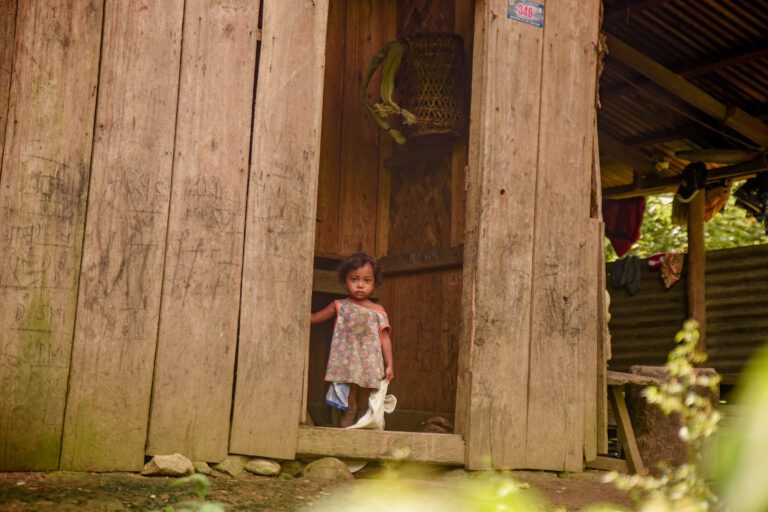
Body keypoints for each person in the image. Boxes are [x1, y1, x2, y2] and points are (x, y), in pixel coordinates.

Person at [310, 253, 394, 427]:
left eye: (366, 280)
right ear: (344, 280)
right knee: (349, 406)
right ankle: (344, 441)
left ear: (374, 283)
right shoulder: (339, 305)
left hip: (369, 366)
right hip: (347, 365)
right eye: (354, 279)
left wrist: (390, 365)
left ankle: (363, 442)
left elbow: (385, 339)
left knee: (365, 406)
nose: (360, 285)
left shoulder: (378, 310)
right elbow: (313, 318)